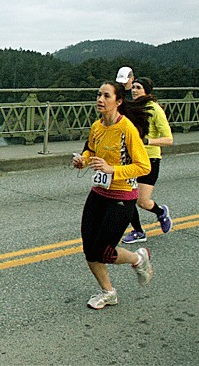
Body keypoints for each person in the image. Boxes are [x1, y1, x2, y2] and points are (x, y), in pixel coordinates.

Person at [72, 81, 153, 310]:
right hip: (98, 193)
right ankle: (108, 292)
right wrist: (83, 161)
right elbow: (91, 150)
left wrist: (113, 170)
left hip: (122, 196)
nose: (100, 99)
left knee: (104, 252)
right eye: (98, 94)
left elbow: (143, 166)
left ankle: (138, 259)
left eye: (106, 96)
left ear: (118, 101)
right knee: (90, 249)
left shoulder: (126, 128)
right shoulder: (97, 126)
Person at [122, 77, 174, 243]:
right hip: (131, 159)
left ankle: (160, 213)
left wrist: (147, 141)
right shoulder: (132, 107)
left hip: (150, 159)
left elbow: (169, 139)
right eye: (133, 87)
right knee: (126, 197)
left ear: (147, 91)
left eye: (139, 87)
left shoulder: (155, 109)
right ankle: (138, 231)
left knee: (142, 202)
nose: (134, 90)